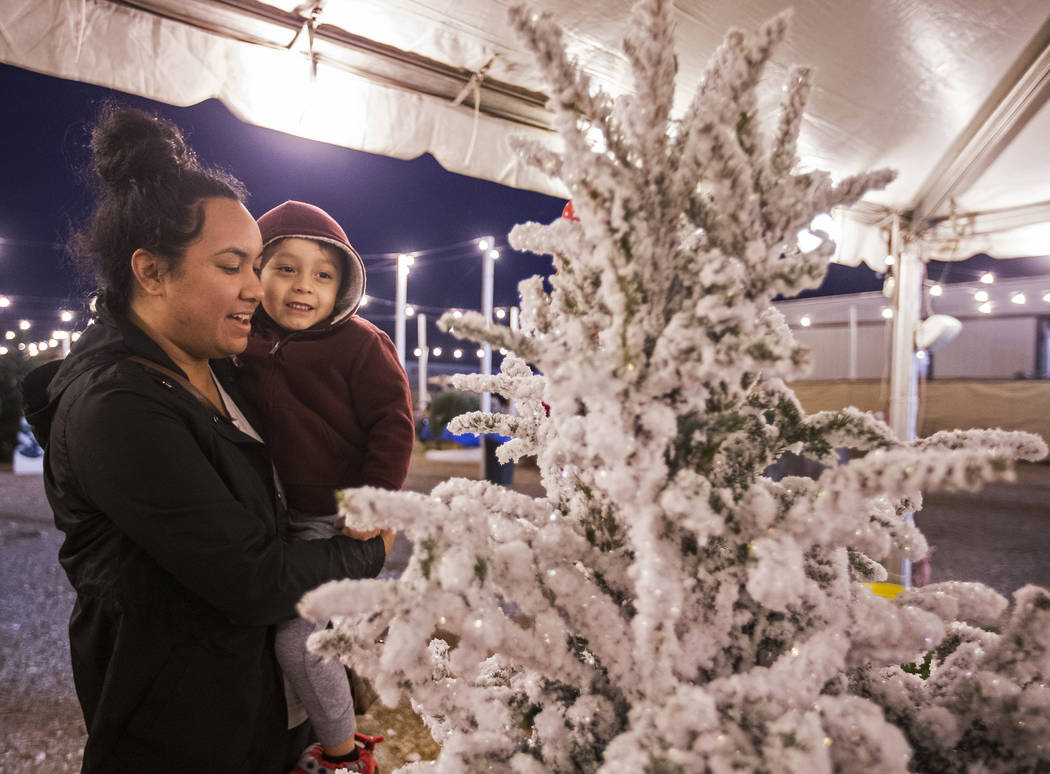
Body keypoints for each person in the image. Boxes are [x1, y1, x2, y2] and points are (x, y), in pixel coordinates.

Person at [20, 105, 395, 774]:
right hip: (186, 740)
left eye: (258, 264)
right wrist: (368, 555)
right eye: (233, 266)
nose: (258, 288)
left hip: (263, 713)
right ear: (153, 272)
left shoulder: (217, 363)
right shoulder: (118, 408)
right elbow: (255, 580)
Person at [235, 200, 414, 773]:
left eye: (323, 274)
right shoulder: (240, 344)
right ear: (254, 271)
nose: (302, 286)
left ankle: (342, 755)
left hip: (329, 518)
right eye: (284, 267)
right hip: (266, 514)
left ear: (345, 285)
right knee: (269, 638)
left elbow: (394, 423)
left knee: (299, 640)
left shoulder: (362, 343)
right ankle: (295, 739)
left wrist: (372, 498)